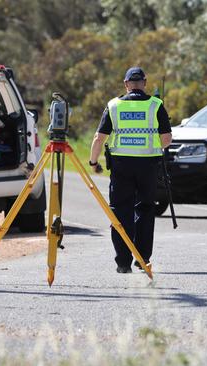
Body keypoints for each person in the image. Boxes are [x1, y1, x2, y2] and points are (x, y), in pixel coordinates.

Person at [89, 66, 172, 273]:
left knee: (120, 211)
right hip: (148, 165)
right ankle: (142, 258)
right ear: (144, 83)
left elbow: (99, 138)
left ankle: (123, 262)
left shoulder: (114, 105)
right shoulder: (156, 104)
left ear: (126, 84)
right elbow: (166, 139)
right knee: (145, 210)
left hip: (121, 166)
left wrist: (93, 162)